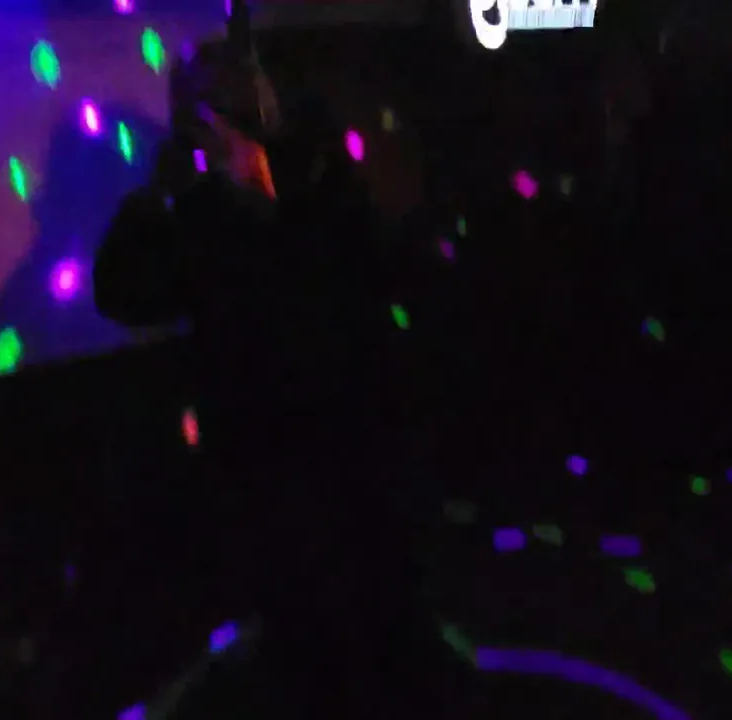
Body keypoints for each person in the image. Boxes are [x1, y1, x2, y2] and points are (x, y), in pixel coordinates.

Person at [93, 3, 451, 717]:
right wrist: (160, 194)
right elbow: (123, 292)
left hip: (353, 448)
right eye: (211, 99)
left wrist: (268, 189)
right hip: (266, 467)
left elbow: (361, 274)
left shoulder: (318, 179)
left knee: (381, 618)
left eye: (242, 84)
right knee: (306, 636)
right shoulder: (200, 212)